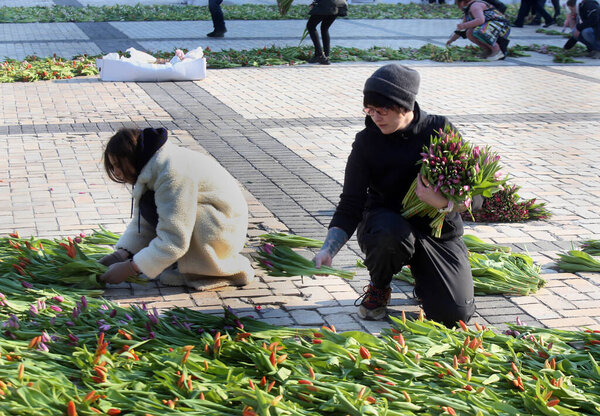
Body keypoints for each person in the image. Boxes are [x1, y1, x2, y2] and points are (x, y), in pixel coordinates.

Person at [313, 64, 476, 328]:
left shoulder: (440, 131)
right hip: (389, 228)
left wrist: (442, 203)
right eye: (369, 110)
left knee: (454, 315)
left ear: (405, 106)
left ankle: (425, 278)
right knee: (390, 232)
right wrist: (328, 249)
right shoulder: (367, 141)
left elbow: (475, 195)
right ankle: (380, 285)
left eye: (382, 110)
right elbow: (351, 202)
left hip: (438, 233)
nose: (375, 117)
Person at [98, 127, 254, 290]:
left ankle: (205, 268)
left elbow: (174, 237)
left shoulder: (171, 173)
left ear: (130, 157)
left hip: (223, 226)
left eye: (118, 165)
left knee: (187, 221)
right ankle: (189, 262)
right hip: (216, 217)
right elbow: (144, 221)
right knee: (153, 204)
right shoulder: (150, 165)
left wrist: (131, 267)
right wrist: (122, 254)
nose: (116, 172)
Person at [447, 0, 511, 60]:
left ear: (462, 2)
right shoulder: (468, 10)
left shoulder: (475, 6)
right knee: (469, 32)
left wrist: (464, 25)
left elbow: (480, 20)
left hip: (501, 28)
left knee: (478, 31)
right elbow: (461, 30)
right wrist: (451, 40)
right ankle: (488, 50)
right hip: (492, 29)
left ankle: (497, 51)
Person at [306, 0, 348, 65]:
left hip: (328, 4)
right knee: (324, 28)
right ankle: (326, 56)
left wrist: (315, 2)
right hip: (340, 4)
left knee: (311, 26)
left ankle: (320, 55)